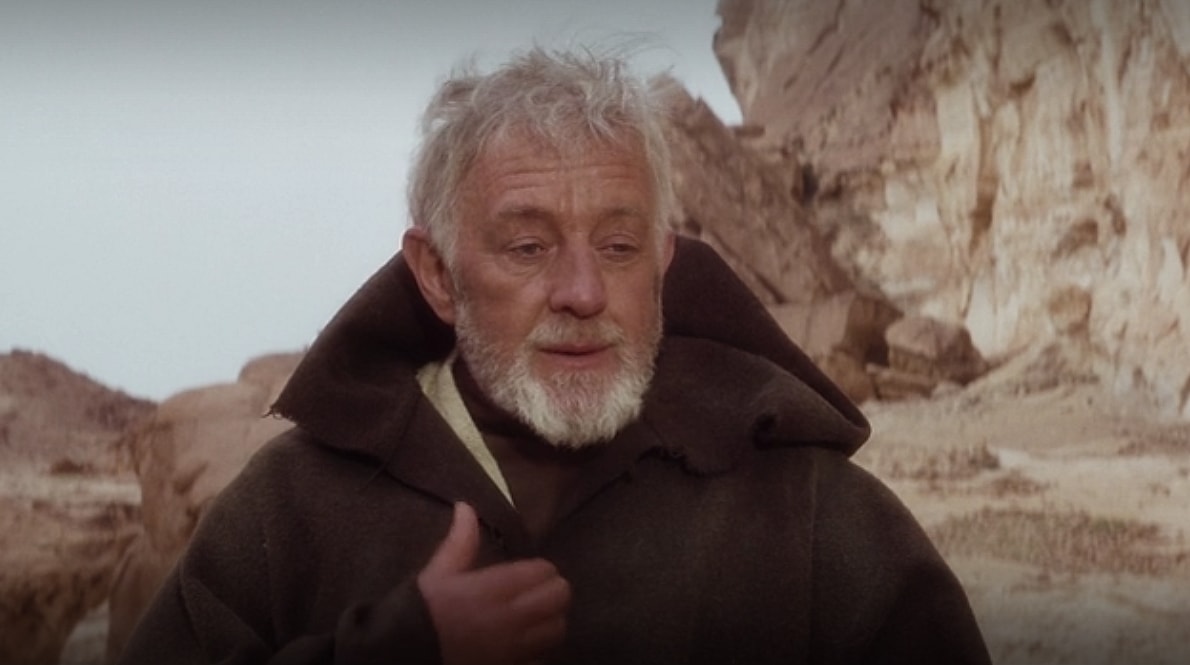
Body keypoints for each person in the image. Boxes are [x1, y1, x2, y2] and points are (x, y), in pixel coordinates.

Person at [118, 46, 991, 665]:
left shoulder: (807, 511)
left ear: (662, 263)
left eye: (618, 246)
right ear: (438, 274)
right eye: (529, 247)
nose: (582, 291)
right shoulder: (291, 510)